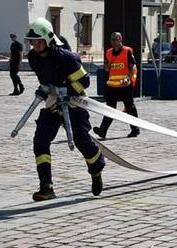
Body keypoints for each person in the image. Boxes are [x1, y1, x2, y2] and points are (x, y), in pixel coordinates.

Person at [24, 17, 105, 201]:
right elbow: (45, 79)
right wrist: (46, 90)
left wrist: (67, 90)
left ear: (48, 38)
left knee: (82, 142)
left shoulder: (66, 58)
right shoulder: (33, 58)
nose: (35, 44)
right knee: (40, 141)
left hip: (73, 103)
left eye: (38, 40)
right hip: (53, 104)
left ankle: (96, 170)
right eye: (32, 41)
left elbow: (85, 81)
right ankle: (46, 187)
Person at [93, 32, 140, 139]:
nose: (114, 42)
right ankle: (102, 131)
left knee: (130, 108)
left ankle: (135, 129)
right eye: (113, 40)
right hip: (112, 86)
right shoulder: (108, 52)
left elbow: (133, 67)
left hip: (124, 85)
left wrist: (129, 79)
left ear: (121, 40)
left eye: (116, 39)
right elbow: (106, 68)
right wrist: (107, 66)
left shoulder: (127, 51)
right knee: (110, 109)